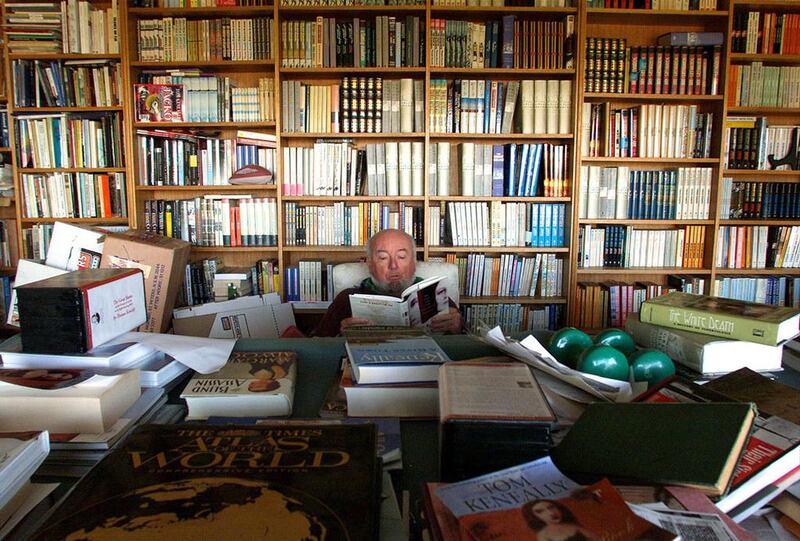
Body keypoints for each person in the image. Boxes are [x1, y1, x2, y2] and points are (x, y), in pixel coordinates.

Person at [312, 229, 463, 337]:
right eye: (383, 258)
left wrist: (457, 326)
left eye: (402, 257)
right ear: (370, 264)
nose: (393, 266)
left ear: (414, 263)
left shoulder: (436, 296)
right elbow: (318, 345)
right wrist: (341, 333)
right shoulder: (346, 299)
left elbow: (466, 344)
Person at [521, 499, 597, 541]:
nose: (551, 512)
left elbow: (597, 538)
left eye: (551, 507)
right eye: (540, 511)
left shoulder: (572, 526)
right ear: (535, 517)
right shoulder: (544, 534)